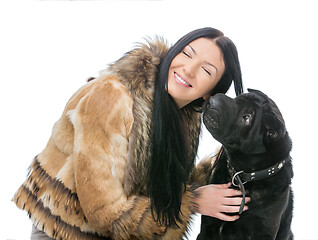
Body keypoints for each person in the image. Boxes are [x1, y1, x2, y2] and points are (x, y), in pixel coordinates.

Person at [13, 27, 250, 240]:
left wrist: (222, 166)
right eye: (186, 54)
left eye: (206, 71)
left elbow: (162, 187)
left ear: (210, 94)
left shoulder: (182, 115)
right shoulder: (111, 98)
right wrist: (194, 202)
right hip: (65, 232)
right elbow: (107, 214)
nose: (188, 69)